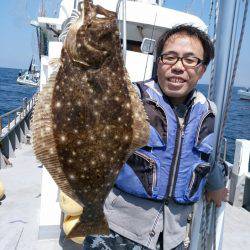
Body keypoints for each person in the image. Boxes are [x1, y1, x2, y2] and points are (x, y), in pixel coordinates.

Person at [83, 24, 227, 250]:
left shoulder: (210, 111)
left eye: (190, 60)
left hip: (174, 238)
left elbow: (209, 154)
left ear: (202, 69)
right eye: (170, 57)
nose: (178, 67)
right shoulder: (127, 99)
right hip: (117, 232)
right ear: (158, 62)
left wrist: (216, 184)